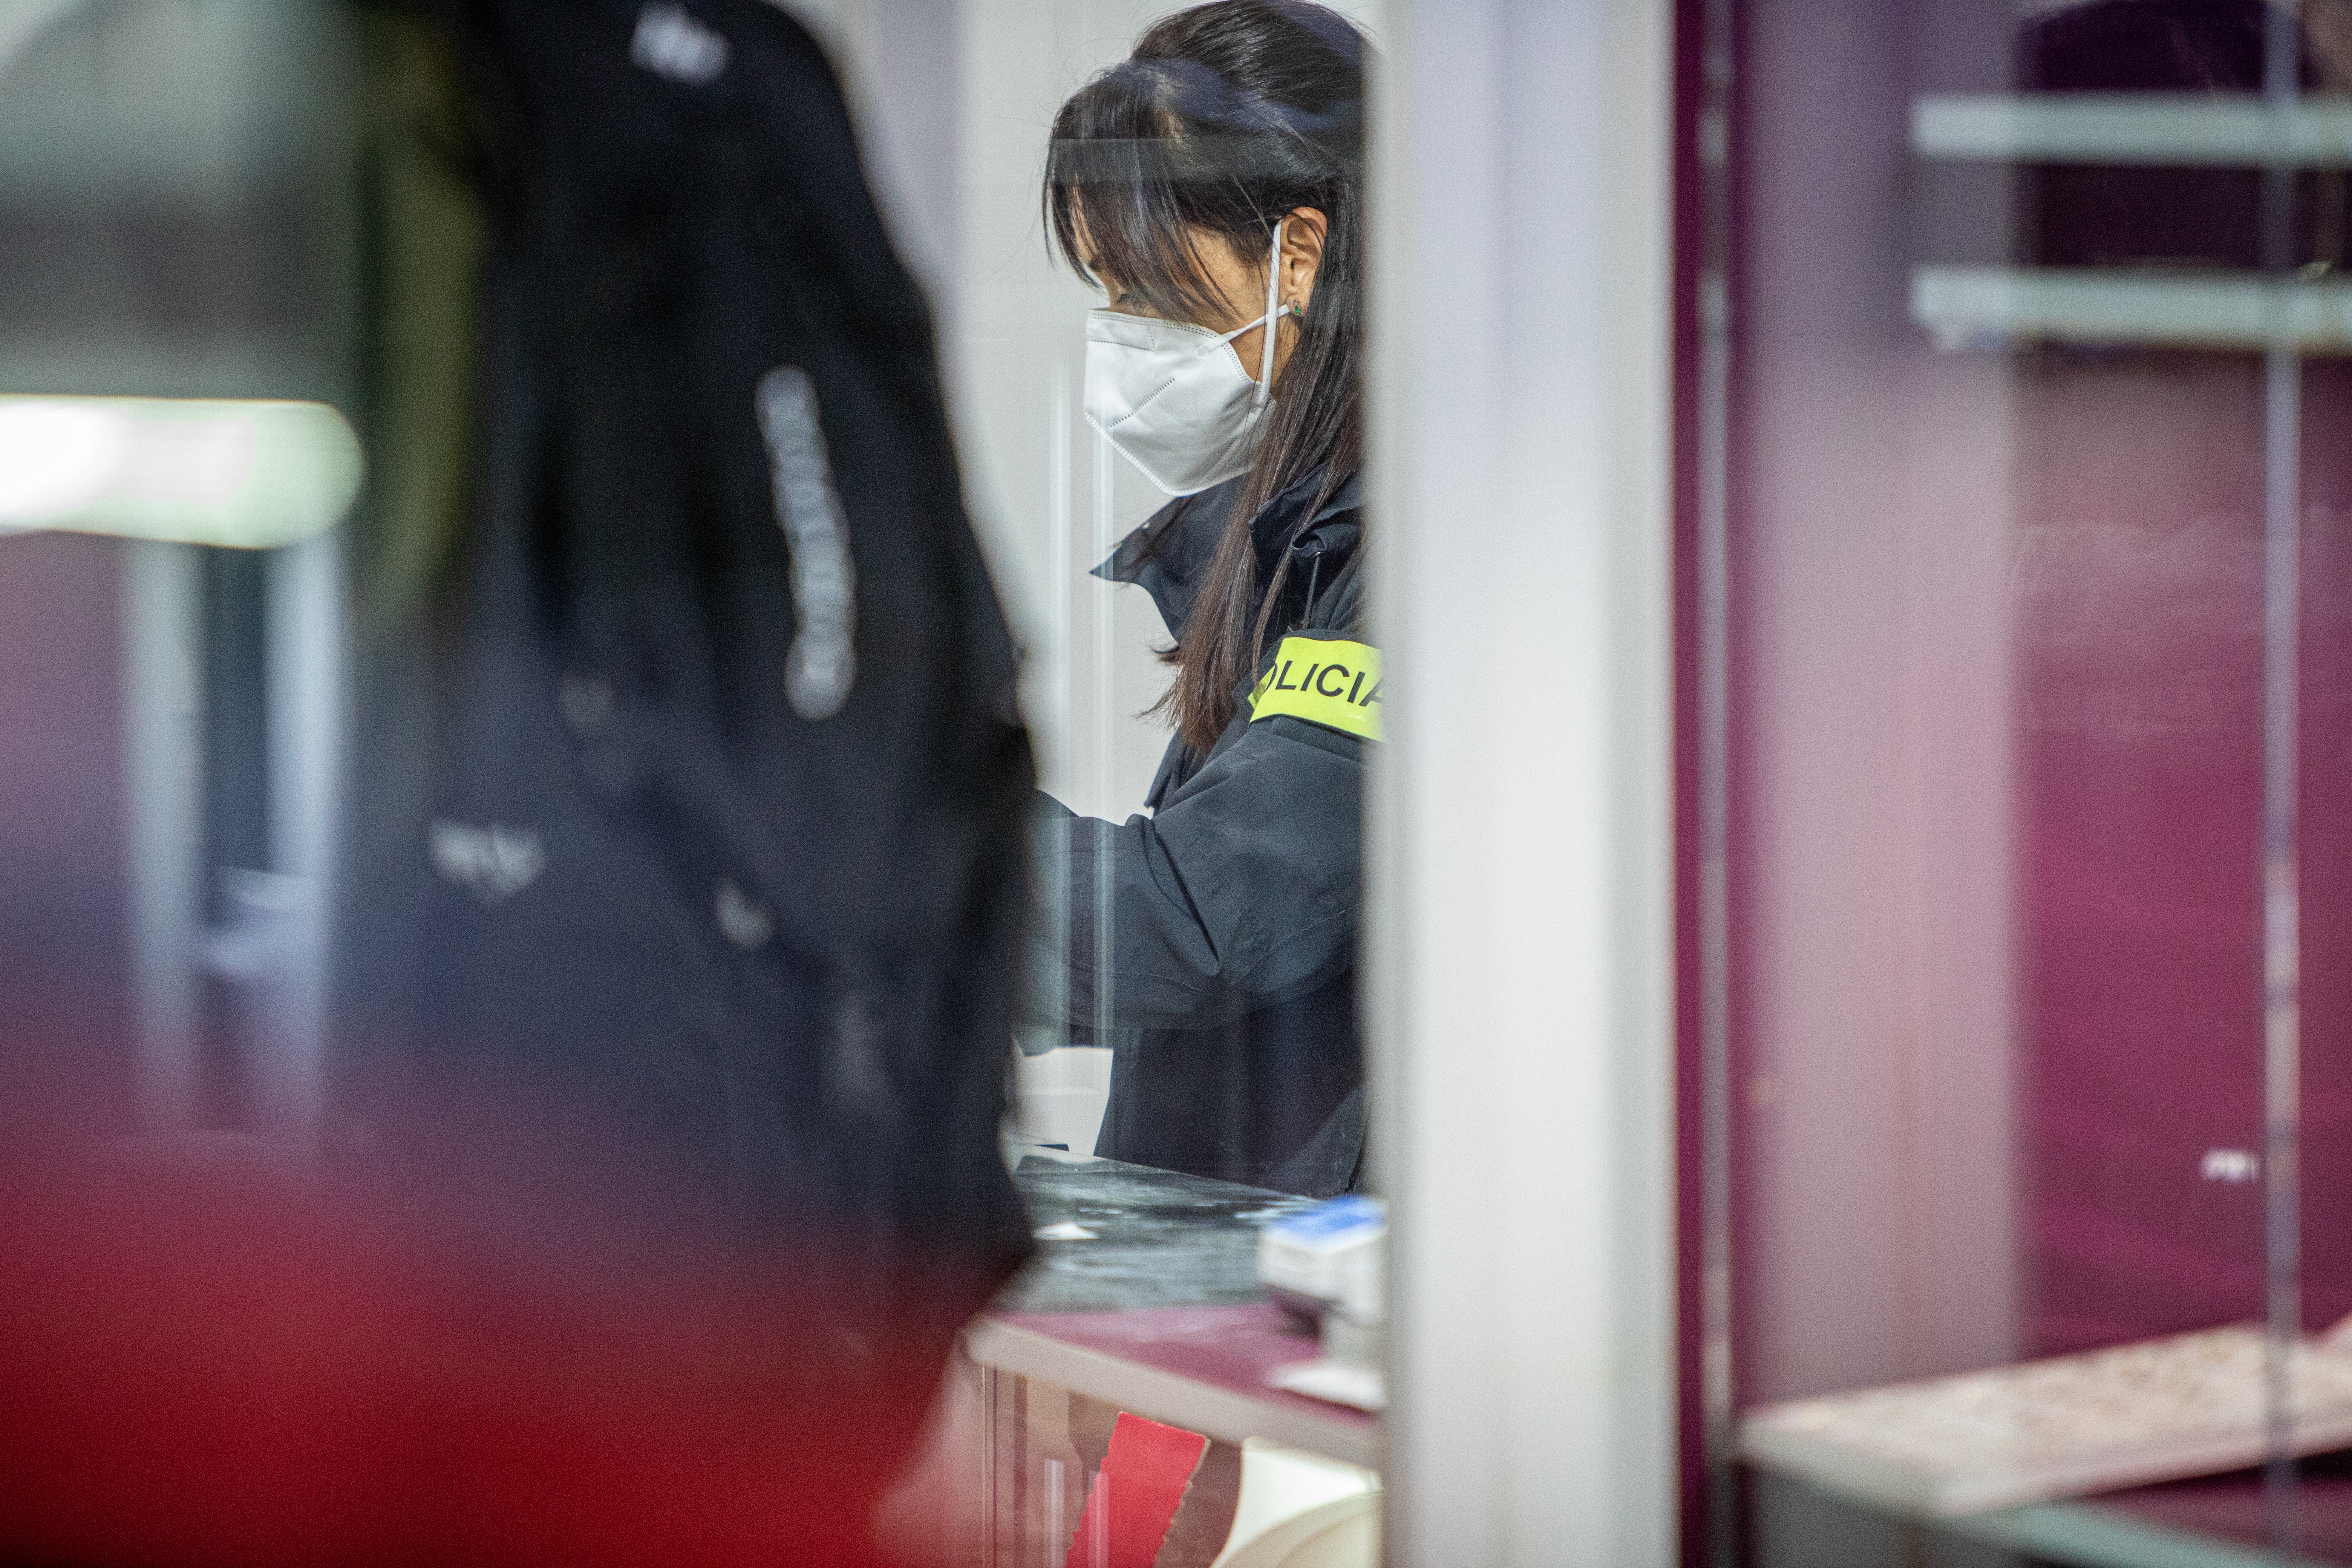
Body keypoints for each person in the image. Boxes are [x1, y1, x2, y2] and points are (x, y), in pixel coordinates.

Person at [1029, 0, 1373, 1196]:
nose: (1121, 341)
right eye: (1110, 293)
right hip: (1220, 1250)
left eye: (1153, 294)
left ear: (1297, 257)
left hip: (1312, 1291)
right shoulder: (1278, 543)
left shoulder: (1413, 567)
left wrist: (926, 853)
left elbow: (1209, 919)